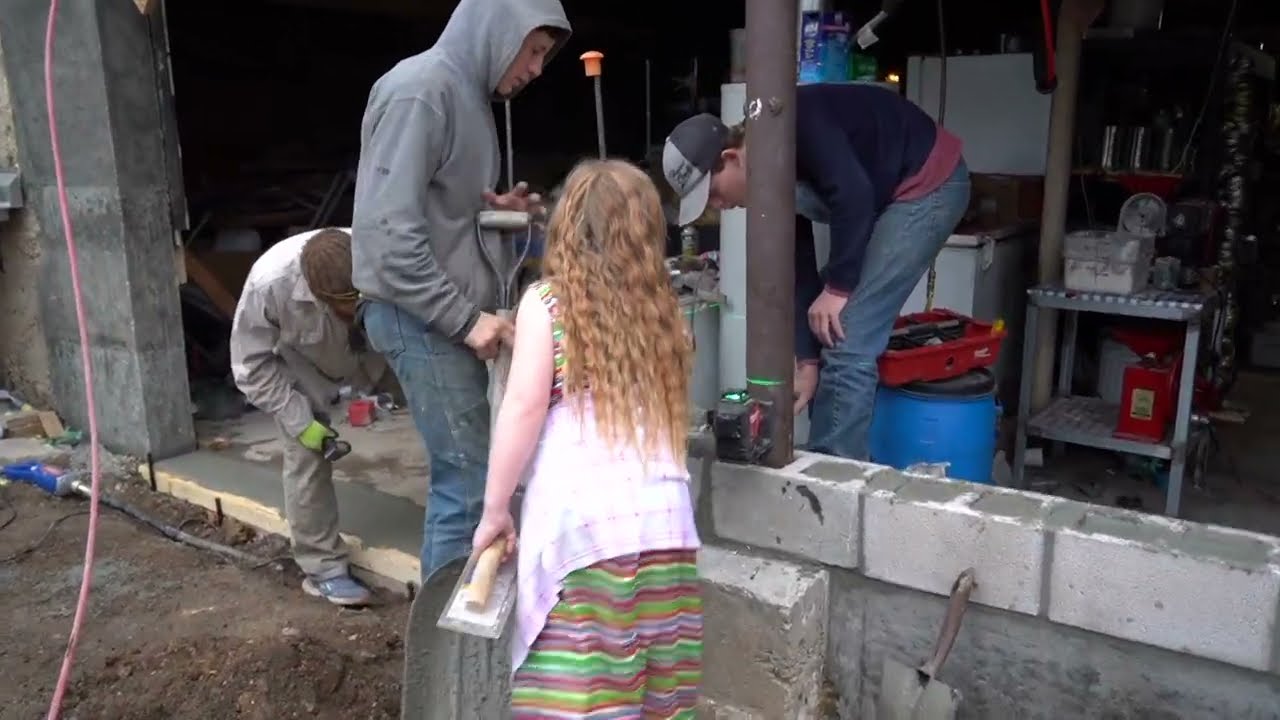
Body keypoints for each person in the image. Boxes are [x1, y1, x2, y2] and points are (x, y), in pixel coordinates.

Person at [350, 0, 572, 581]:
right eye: (534, 50)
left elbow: (433, 209)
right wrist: (467, 319)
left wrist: (491, 211)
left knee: (472, 473)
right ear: (499, 30)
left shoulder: (468, 99)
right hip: (417, 314)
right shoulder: (421, 91)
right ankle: (448, 652)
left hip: (437, 313)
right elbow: (386, 239)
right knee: (470, 480)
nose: (536, 68)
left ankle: (459, 639)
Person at [472, 160, 703, 718]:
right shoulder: (664, 311)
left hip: (586, 542)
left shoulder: (548, 305)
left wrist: (495, 509)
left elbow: (524, 408)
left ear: (566, 228)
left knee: (585, 700)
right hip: (668, 538)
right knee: (659, 696)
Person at [662, 83, 970, 461]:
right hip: (887, 190)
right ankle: (828, 460)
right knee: (825, 324)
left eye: (713, 194)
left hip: (927, 183)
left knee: (848, 336)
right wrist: (806, 361)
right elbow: (800, 259)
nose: (719, 206)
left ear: (731, 158)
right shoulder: (770, 173)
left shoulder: (796, 123)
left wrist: (839, 288)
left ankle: (835, 479)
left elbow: (853, 194)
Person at [231, 228, 386, 606]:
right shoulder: (268, 286)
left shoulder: (384, 250)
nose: (350, 311)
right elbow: (251, 368)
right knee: (306, 455)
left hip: (383, 349)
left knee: (444, 418)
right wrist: (302, 422)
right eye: (343, 306)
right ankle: (323, 569)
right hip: (304, 366)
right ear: (317, 295)